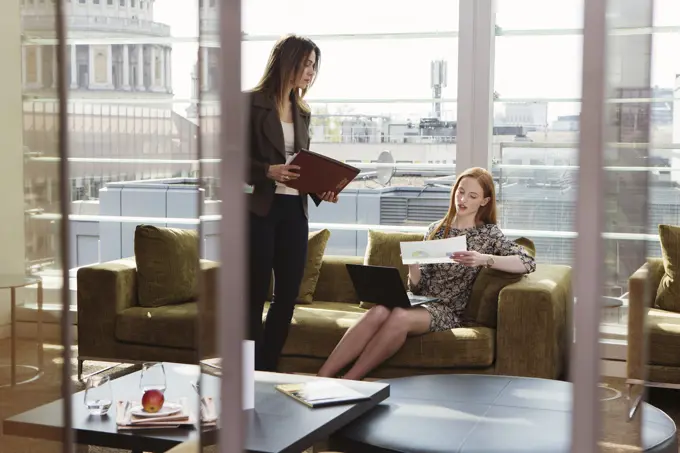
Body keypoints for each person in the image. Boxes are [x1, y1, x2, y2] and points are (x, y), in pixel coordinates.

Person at [317, 167, 536, 380]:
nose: (463, 200)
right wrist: (413, 267)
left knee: (399, 317)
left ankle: (351, 379)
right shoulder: (436, 229)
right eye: (461, 192)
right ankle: (322, 376)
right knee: (378, 311)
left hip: (448, 309)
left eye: (472, 196)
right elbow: (417, 287)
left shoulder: (488, 234)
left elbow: (527, 261)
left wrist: (484, 259)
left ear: (484, 201)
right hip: (419, 300)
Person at [247, 34, 338, 372]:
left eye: (315, 66)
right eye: (307, 64)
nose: (311, 72)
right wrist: (267, 171)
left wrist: (321, 189)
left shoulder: (302, 111)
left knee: (286, 298)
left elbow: (301, 164)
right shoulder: (249, 104)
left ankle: (266, 369)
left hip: (293, 213)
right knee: (254, 297)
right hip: (259, 212)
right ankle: (249, 372)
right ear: (288, 62)